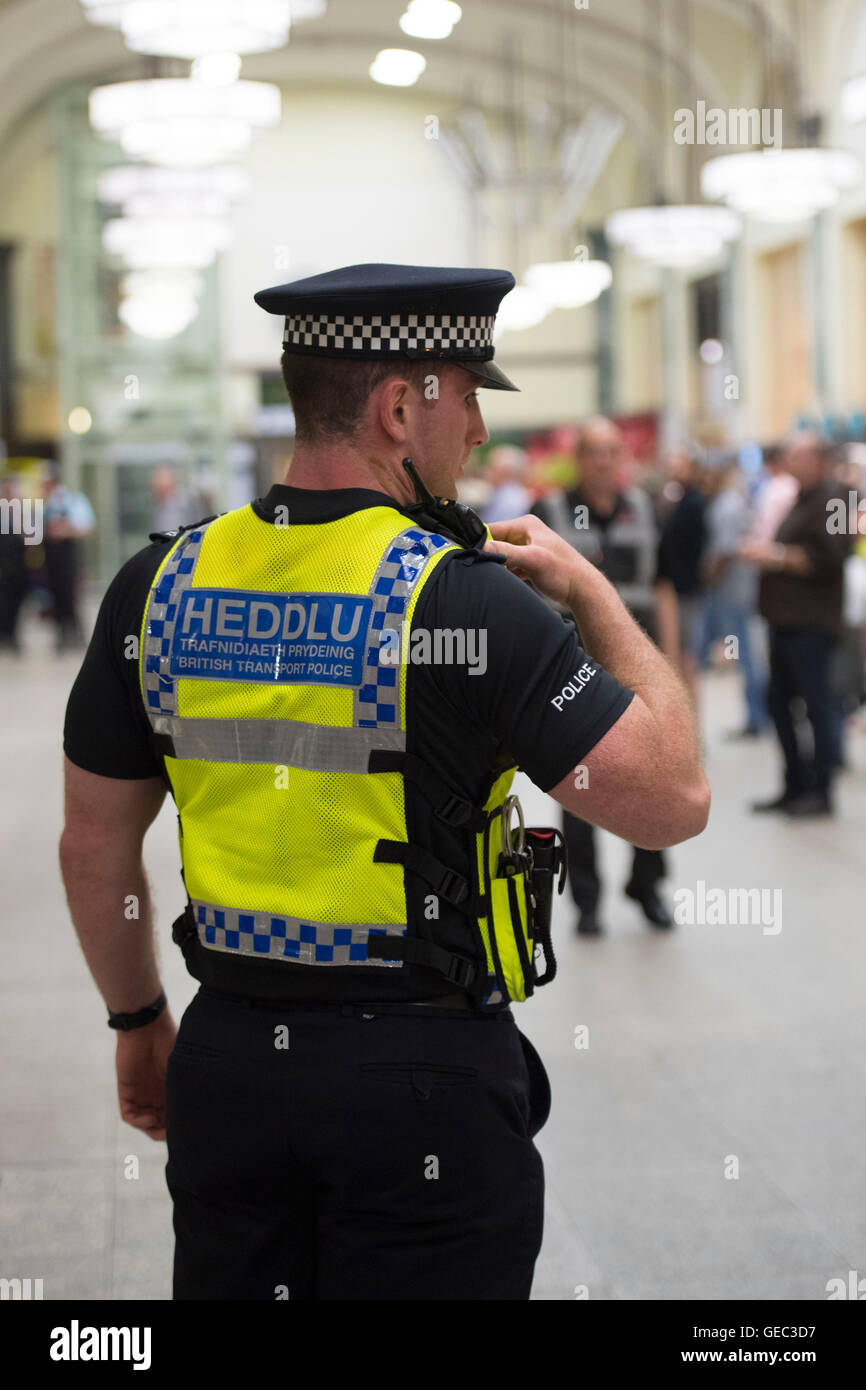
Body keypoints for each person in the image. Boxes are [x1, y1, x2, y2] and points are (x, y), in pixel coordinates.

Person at [60, 263, 709, 1302]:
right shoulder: (461, 603)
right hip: (418, 1078)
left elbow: (94, 842)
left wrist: (137, 1021)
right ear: (401, 407)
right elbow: (670, 798)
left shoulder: (158, 583)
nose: (482, 436)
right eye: (469, 396)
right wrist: (594, 595)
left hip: (226, 1061)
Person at [531, 418, 671, 935]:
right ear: (580, 459)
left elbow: (664, 588)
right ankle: (587, 900)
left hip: (640, 667)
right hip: (576, 673)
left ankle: (648, 883)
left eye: (613, 453)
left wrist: (676, 668)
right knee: (580, 782)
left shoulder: (646, 510)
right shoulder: (549, 513)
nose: (604, 463)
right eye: (594, 453)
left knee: (652, 778)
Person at [743, 433, 851, 817]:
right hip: (785, 619)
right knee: (778, 703)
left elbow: (832, 558)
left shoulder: (838, 495)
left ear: (820, 459)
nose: (791, 463)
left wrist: (776, 556)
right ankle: (795, 783)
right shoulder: (801, 497)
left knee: (816, 705)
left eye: (799, 456)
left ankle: (820, 790)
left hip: (813, 622)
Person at [700, 459, 768, 738]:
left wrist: (710, 578)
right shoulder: (729, 502)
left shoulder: (727, 505)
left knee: (746, 656)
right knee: (745, 654)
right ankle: (757, 716)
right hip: (735, 592)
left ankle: (756, 718)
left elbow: (726, 551)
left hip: (733, 593)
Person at [654, 450, 708, 712]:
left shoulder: (693, 502)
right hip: (675, 587)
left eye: (679, 465)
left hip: (684, 589)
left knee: (686, 658)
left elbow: (691, 547)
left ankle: (690, 718)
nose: (673, 470)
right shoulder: (678, 498)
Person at [42, 464, 95, 652]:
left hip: (68, 559)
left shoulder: (72, 500)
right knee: (56, 598)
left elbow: (86, 527)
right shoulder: (46, 504)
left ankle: (75, 635)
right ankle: (62, 635)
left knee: (71, 597)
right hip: (52, 560)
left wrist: (63, 530)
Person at [479, 444, 531, 524]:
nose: (485, 471)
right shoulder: (509, 494)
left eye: (491, 467)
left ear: (504, 472)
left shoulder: (509, 501)